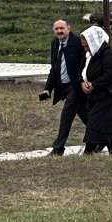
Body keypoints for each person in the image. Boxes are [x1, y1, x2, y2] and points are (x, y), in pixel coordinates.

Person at [42, 19, 87, 155]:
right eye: (56, 29)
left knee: (66, 116)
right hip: (64, 87)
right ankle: (102, 137)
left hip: (76, 86)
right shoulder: (55, 43)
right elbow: (54, 68)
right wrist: (48, 88)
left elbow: (83, 64)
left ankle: (58, 148)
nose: (59, 31)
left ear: (69, 29)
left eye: (62, 28)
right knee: (86, 116)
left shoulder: (78, 42)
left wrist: (81, 81)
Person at [79, 24, 112, 155]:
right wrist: (84, 83)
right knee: (104, 127)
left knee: (97, 125)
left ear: (93, 42)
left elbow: (111, 73)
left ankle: (88, 152)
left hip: (109, 98)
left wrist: (94, 84)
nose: (85, 49)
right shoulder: (94, 55)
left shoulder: (107, 54)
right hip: (98, 97)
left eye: (86, 45)